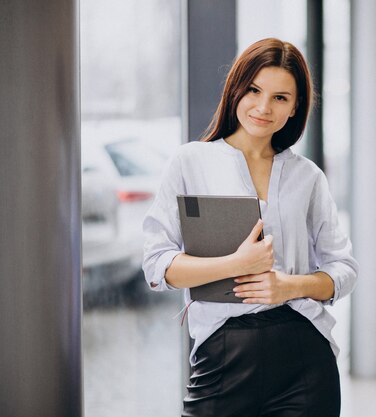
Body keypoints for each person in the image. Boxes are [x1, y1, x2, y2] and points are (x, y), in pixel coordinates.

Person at [142, 38, 358, 417]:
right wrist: (236, 264)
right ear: (236, 89)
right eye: (254, 90)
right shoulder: (190, 162)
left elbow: (344, 269)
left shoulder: (307, 177)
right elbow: (158, 266)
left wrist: (289, 285)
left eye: (280, 98)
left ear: (295, 108)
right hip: (221, 358)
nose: (263, 107)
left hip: (305, 360)